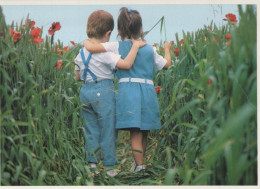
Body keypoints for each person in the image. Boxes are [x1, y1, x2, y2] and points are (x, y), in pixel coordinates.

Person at [84, 7, 171, 172]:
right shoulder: (150, 49)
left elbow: (92, 48)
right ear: (140, 29)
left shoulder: (116, 46)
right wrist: (167, 49)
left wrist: (85, 42)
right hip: (147, 91)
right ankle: (139, 164)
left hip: (128, 92)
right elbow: (166, 65)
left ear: (118, 30)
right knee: (144, 130)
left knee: (135, 132)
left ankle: (139, 165)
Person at [74, 10, 145, 177]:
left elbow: (77, 76)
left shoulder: (80, 52)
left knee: (91, 129)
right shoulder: (106, 53)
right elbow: (126, 64)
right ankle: (109, 168)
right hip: (103, 93)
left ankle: (91, 166)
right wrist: (134, 47)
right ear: (108, 34)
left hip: (85, 91)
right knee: (108, 130)